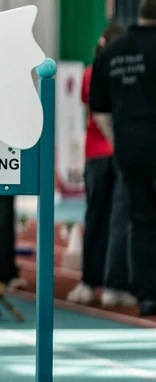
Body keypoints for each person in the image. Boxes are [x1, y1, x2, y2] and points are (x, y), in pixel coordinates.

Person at [90, 0, 156, 317]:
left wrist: (118, 140)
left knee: (140, 221)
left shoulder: (112, 52)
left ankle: (147, 295)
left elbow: (98, 108)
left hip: (130, 148)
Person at [69, 22, 135, 308]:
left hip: (97, 153)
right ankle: (113, 285)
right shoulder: (125, 73)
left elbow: (91, 107)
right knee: (119, 219)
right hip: (118, 152)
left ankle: (89, 283)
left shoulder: (91, 72)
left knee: (96, 218)